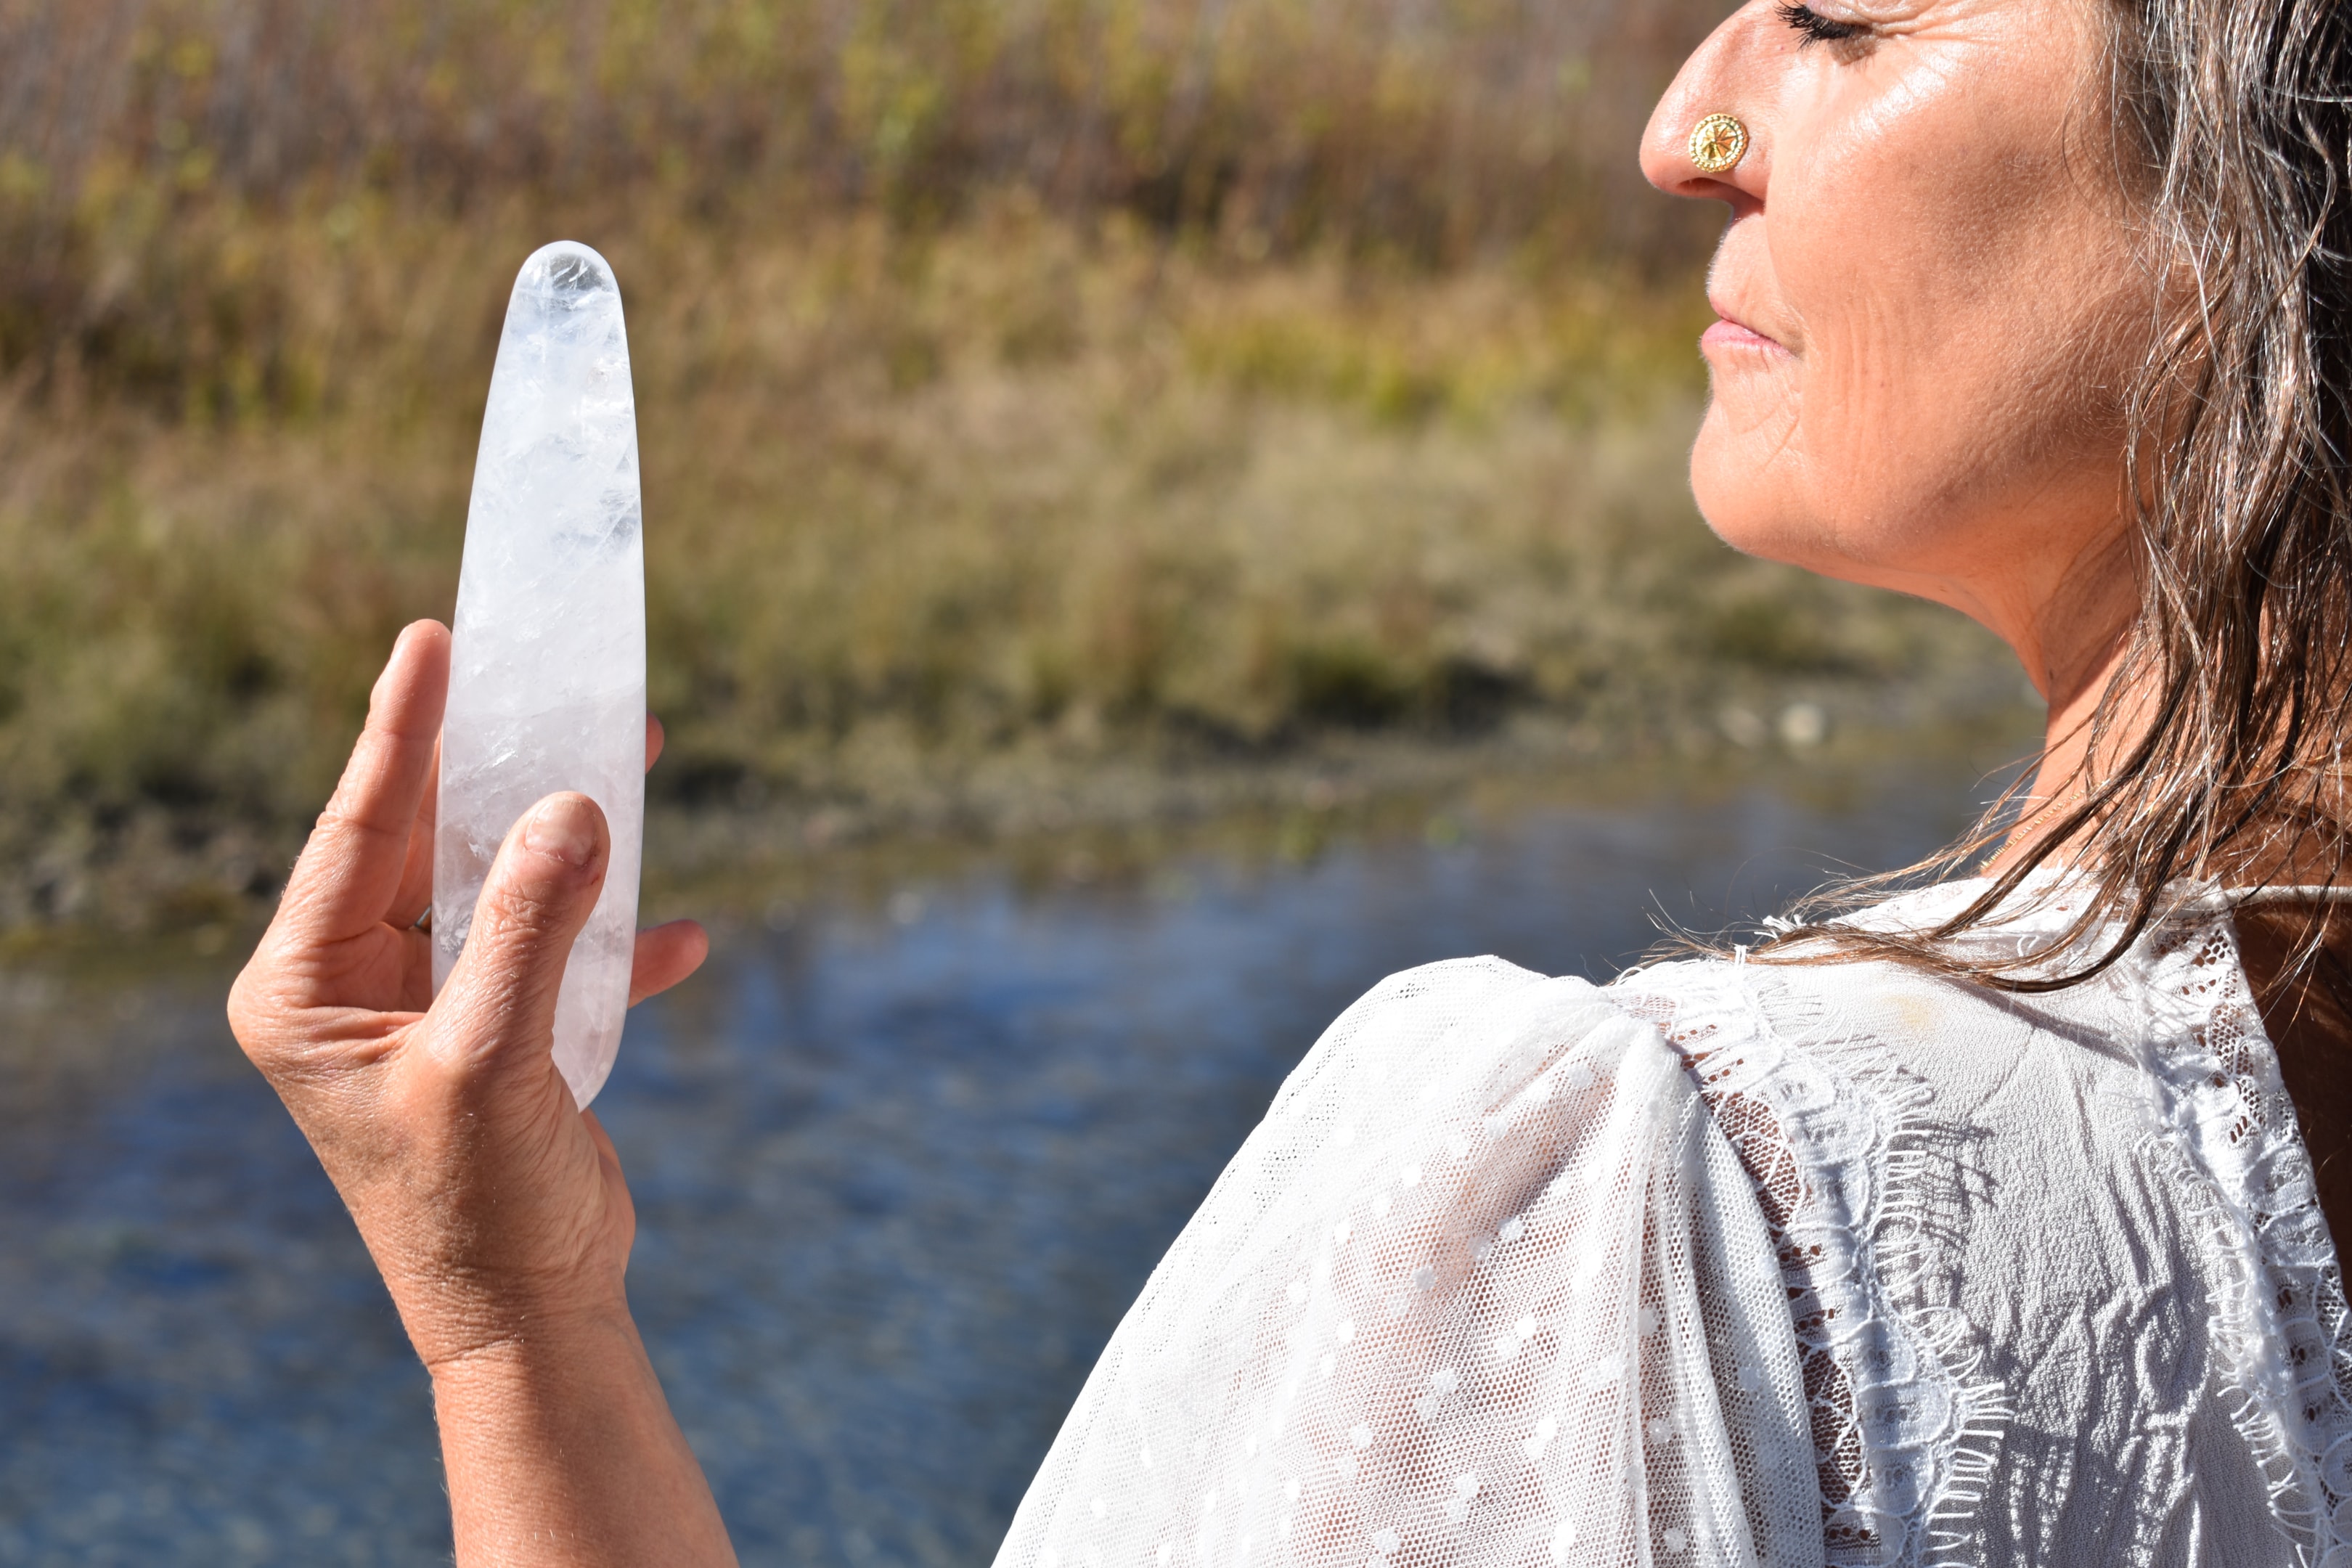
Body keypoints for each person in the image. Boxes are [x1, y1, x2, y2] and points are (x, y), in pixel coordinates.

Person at [226, 0, 2352, 1561]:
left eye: (1846, 16)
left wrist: (506, 1335)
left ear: (2288, 162)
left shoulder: (1651, 1207)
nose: (1686, 122)